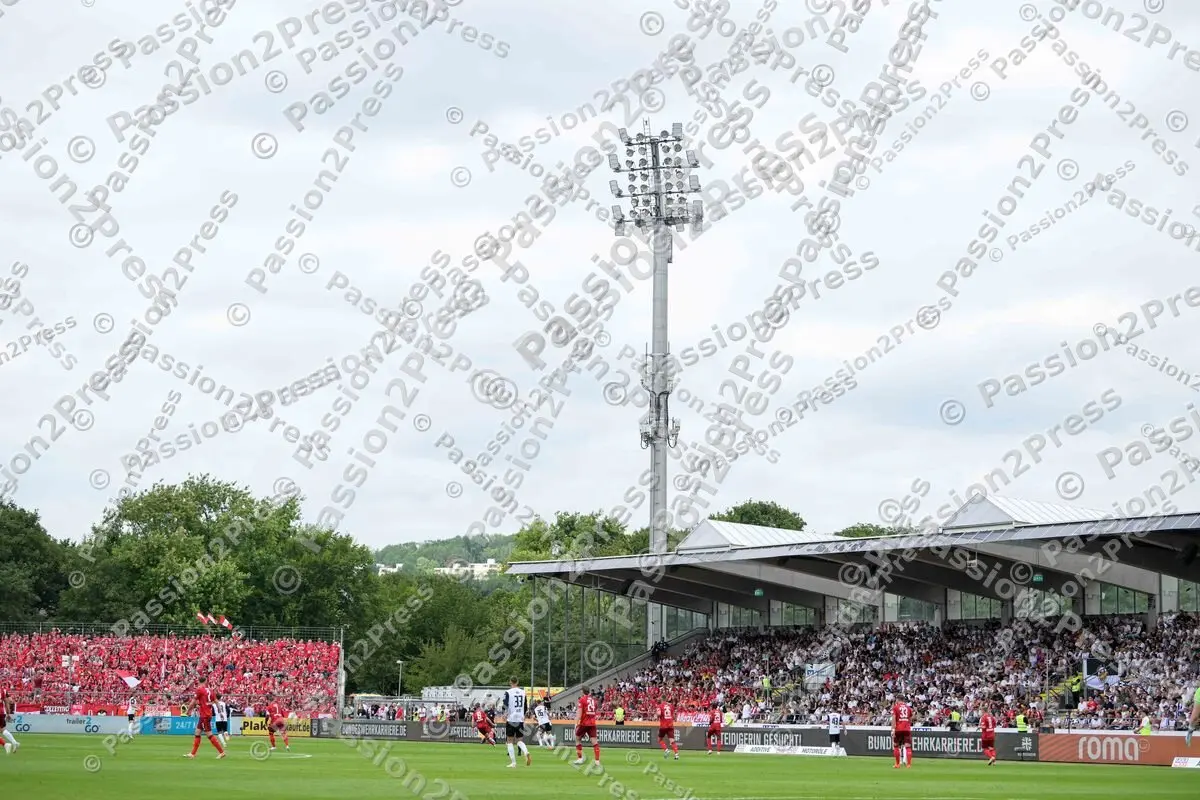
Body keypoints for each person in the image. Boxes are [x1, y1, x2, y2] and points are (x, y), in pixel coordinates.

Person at [185, 678, 226, 759]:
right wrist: (220, 712)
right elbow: (216, 702)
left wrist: (188, 711)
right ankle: (192, 754)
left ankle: (222, 752)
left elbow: (193, 702)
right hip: (206, 715)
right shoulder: (211, 690)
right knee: (197, 733)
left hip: (205, 716)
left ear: (199, 682)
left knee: (209, 734)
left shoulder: (199, 690)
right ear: (206, 682)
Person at [501, 678, 531, 768]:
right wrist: (523, 715)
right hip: (520, 719)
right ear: (517, 682)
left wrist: (504, 714)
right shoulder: (523, 692)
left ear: (510, 682)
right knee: (519, 740)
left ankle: (513, 763)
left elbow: (505, 705)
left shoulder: (508, 692)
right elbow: (525, 706)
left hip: (511, 719)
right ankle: (526, 752)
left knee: (509, 741)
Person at [573, 686, 601, 766]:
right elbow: (594, 711)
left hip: (584, 723)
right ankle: (597, 761)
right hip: (592, 723)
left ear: (582, 691)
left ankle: (580, 759)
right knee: (594, 742)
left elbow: (579, 713)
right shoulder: (594, 700)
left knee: (577, 739)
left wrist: (576, 724)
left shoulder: (582, 699)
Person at [892, 695, 913, 769]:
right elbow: (910, 719)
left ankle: (897, 764)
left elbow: (894, 719)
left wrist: (892, 729)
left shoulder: (895, 707)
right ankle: (909, 764)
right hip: (907, 729)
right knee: (908, 746)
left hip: (898, 729)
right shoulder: (909, 708)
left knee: (896, 745)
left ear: (898, 699)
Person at [1, 683, 17, 754]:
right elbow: (8, 702)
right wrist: (8, 713)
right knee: (2, 729)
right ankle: (13, 742)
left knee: (2, 730)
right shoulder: (2, 690)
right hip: (1, 712)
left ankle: (5, 744)